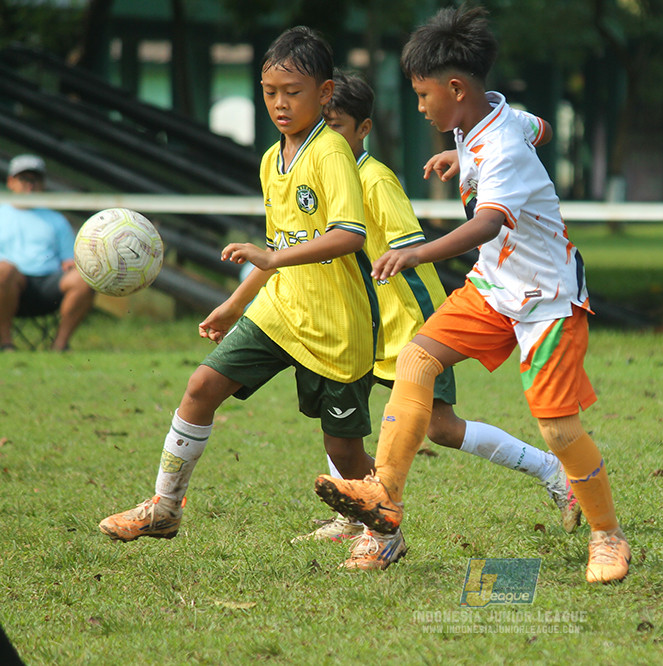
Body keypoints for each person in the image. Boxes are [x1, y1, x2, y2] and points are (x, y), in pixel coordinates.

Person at [313, 7, 630, 583]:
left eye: (421, 94)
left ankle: (608, 534)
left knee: (558, 429)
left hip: (548, 298)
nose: (419, 106)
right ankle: (384, 496)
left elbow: (487, 223)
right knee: (417, 359)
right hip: (493, 286)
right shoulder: (488, 117)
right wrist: (465, 155)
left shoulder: (501, 145)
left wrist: (416, 250)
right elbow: (543, 129)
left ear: (454, 88)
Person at [99, 26, 380, 544]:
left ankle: (384, 528)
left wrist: (273, 255)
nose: (279, 103)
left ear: (324, 95)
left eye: (293, 93)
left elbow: (350, 235)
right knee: (201, 387)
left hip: (336, 325)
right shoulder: (272, 160)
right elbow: (280, 250)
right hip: (278, 311)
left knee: (344, 452)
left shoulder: (332, 152)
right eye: (270, 92)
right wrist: (233, 304)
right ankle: (164, 507)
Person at [293, 71, 579, 568]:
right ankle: (364, 522)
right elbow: (540, 130)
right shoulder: (319, 174)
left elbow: (412, 252)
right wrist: (464, 157)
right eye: (319, 127)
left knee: (442, 430)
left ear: (361, 129)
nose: (324, 139)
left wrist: (416, 269)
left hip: (406, 312)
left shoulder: (374, 181)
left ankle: (553, 471)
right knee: (345, 411)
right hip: (360, 315)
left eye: (334, 126)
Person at [0, 154, 94, 352]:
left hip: (49, 284)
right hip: (10, 284)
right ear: (10, 182)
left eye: (35, 180)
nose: (30, 185)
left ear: (42, 184)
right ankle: (5, 343)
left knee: (85, 278)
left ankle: (60, 346)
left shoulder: (56, 220)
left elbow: (68, 259)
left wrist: (71, 265)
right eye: (24, 179)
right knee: (4, 270)